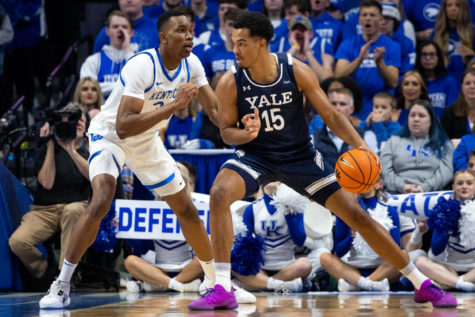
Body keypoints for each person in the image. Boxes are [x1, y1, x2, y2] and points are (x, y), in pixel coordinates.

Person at [188, 11, 457, 310]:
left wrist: (360, 146)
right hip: (256, 155)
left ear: (262, 44)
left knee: (358, 216)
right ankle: (223, 287)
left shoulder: (296, 70)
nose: (234, 50)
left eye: (241, 43)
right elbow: (226, 133)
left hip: (300, 157)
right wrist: (246, 133)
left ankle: (422, 283)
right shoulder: (230, 81)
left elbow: (330, 115)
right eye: (232, 43)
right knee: (219, 193)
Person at [39, 9, 219, 309]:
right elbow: (124, 124)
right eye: (181, 30)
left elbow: (214, 110)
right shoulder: (142, 64)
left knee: (186, 208)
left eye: (191, 31)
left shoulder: (193, 64)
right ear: (163, 37)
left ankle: (217, 283)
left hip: (146, 139)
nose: (189, 36)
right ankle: (61, 285)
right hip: (111, 134)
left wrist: (242, 129)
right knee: (102, 199)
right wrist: (175, 105)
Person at [9, 102, 90, 290]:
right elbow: (46, 183)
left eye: (80, 119)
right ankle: (46, 273)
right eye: (70, 120)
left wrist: (72, 149)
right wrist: (52, 144)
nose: (75, 123)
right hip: (44, 210)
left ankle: (64, 279)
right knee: (18, 242)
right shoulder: (48, 148)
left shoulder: (91, 147)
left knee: (71, 210)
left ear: (86, 124)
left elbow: (92, 176)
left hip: (76, 207)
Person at [319, 177, 400, 292]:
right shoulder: (344, 211)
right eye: (358, 180)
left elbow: (395, 248)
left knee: (404, 255)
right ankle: (368, 284)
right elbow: (339, 251)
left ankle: (357, 286)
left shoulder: (389, 211)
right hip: (352, 269)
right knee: (325, 257)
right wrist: (351, 236)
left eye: (366, 180)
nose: (361, 183)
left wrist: (374, 234)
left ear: (379, 185)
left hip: (381, 269)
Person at [232, 182, 312, 293]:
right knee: (232, 263)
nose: (271, 179)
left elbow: (300, 241)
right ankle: (282, 285)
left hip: (287, 268)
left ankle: (256, 285)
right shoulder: (252, 208)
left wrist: (289, 214)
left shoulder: (294, 205)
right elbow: (245, 245)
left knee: (305, 264)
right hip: (261, 269)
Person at [335, 0, 400, 120]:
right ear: (359, 20)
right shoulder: (348, 44)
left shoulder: (392, 46)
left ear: (381, 19)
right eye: (364, 15)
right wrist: (358, 60)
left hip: (381, 109)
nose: (368, 18)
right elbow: (338, 75)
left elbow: (393, 82)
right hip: (354, 110)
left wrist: (380, 63)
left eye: (372, 15)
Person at [415, 169, 475, 292]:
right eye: (460, 183)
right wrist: (447, 230)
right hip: (449, 267)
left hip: (473, 269)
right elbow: (436, 250)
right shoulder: (443, 210)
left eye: (469, 183)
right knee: (421, 261)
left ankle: (452, 283)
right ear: (453, 186)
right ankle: (459, 284)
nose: (464, 186)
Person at [381, 100, 454, 194]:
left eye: (421, 116)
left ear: (431, 120)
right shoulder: (393, 141)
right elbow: (384, 171)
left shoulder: (444, 144)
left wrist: (425, 187)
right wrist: (402, 186)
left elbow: (446, 173)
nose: (416, 119)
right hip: (396, 194)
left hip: (431, 194)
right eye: (412, 115)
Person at [313, 87, 378, 169]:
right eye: (333, 104)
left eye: (342, 104)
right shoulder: (313, 139)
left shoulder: (367, 136)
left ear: (351, 109)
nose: (337, 108)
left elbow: (374, 168)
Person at [80, 10, 136, 98]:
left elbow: (141, 86)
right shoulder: (93, 61)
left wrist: (128, 50)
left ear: (132, 32)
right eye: (115, 26)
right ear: (107, 31)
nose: (120, 30)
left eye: (124, 27)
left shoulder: (142, 59)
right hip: (101, 110)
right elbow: (88, 89)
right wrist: (126, 86)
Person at [274, 15, 334, 81]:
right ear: (289, 34)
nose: (299, 33)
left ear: (311, 34)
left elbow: (327, 80)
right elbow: (274, 75)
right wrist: (294, 47)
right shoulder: (280, 46)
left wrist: (308, 53)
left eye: (302, 30)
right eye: (295, 30)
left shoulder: (323, 46)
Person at [433, 0, 474, 85]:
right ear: (444, 9)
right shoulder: (436, 34)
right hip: (443, 82)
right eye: (449, 5)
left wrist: (472, 54)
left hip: (468, 83)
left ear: (464, 9)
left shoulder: (473, 32)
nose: (453, 9)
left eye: (458, 5)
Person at [93, 0, 159, 53]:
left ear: (143, 1)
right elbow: (97, 63)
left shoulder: (158, 27)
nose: (129, 1)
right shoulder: (108, 31)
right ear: (119, 1)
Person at [414, 40, 458, 117]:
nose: (428, 58)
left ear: (438, 58)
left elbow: (451, 112)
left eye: (432, 54)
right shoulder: (414, 82)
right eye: (424, 54)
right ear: (419, 58)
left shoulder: (449, 82)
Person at [441, 68, 475, 145]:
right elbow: (444, 143)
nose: (472, 86)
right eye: (468, 83)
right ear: (462, 87)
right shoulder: (449, 113)